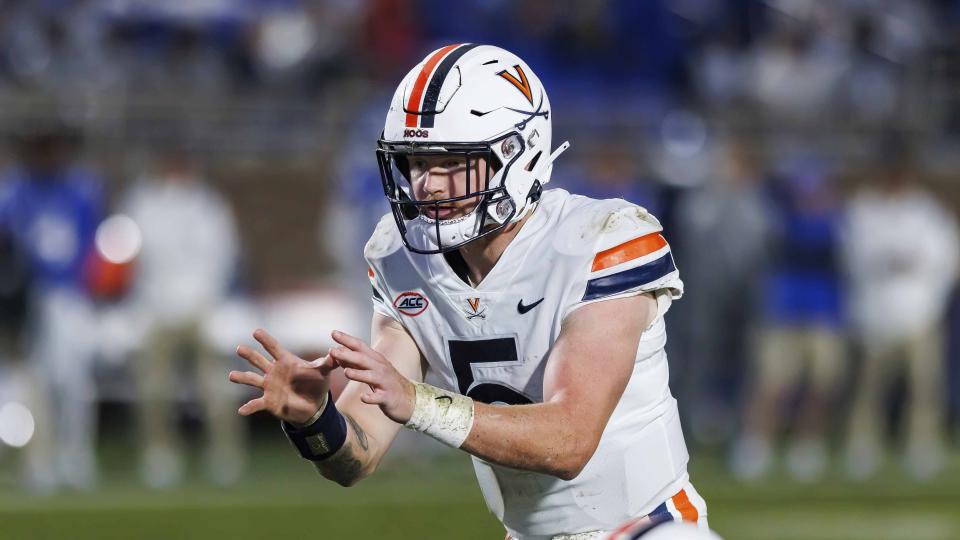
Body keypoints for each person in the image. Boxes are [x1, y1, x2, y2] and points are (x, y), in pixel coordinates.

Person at [229, 44, 710, 540]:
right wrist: (315, 421)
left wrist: (418, 402)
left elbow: (570, 442)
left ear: (516, 155)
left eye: (451, 164)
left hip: (648, 529)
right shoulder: (402, 259)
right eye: (415, 163)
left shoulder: (602, 239)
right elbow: (358, 456)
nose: (427, 186)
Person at [122, 148, 245, 487]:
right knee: (153, 388)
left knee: (217, 387)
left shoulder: (207, 205)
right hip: (156, 307)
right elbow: (132, 256)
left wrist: (205, 297)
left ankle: (224, 455)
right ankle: (159, 454)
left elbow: (223, 254)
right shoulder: (142, 202)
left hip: (200, 307)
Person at [843, 145, 959, 480]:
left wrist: (929, 302)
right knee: (869, 389)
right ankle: (862, 446)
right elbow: (856, 255)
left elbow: (945, 260)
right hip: (875, 317)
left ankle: (921, 446)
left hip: (919, 317)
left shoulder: (927, 213)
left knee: (924, 389)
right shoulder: (865, 209)